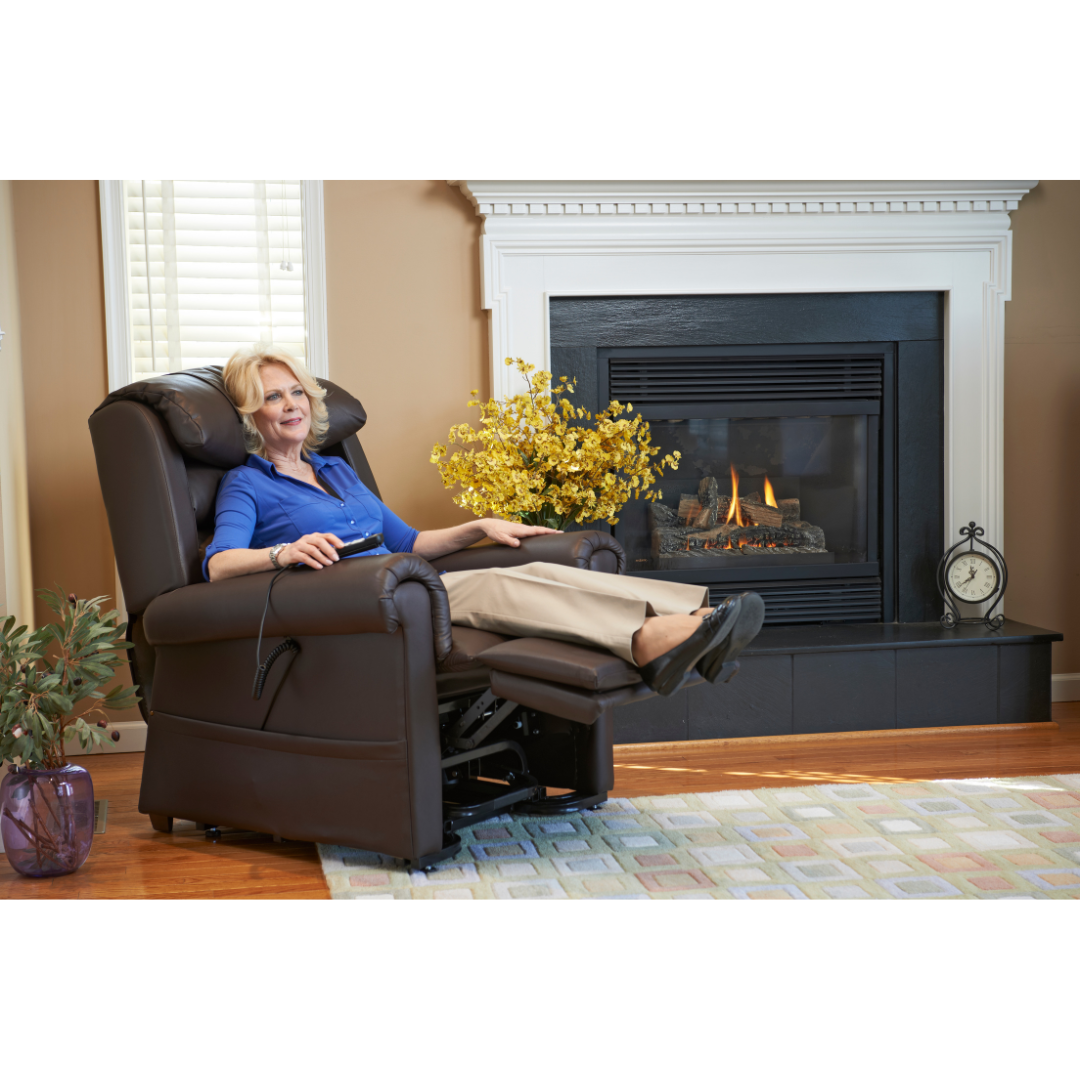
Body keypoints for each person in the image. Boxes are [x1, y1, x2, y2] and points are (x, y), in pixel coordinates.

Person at [204, 347, 764, 697]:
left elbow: (410, 541)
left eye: (296, 391)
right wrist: (283, 552)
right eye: (272, 397)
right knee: (499, 582)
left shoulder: (335, 470)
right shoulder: (247, 483)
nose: (290, 404)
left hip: (408, 582)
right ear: (251, 414)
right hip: (364, 605)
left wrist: (481, 526)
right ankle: (649, 640)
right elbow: (219, 565)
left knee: (548, 573)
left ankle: (693, 619)